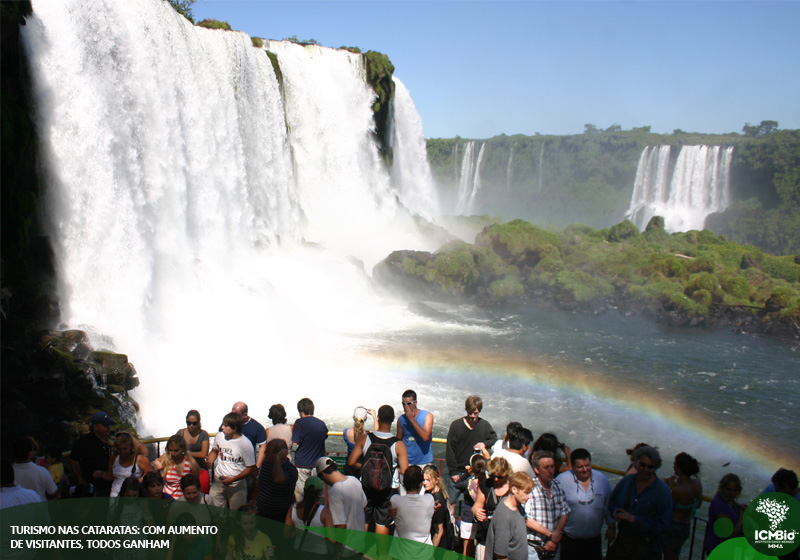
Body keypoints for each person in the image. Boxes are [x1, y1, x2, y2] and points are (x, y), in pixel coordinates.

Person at [347, 404, 409, 536]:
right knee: (382, 522)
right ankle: (381, 554)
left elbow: (351, 462)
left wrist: (364, 467)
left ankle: (359, 549)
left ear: (378, 418)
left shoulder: (366, 438)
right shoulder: (398, 444)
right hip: (388, 488)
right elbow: (404, 470)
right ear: (393, 419)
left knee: (364, 518)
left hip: (366, 484)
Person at [607, 445, 672, 560]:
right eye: (643, 465)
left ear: (656, 468)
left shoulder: (663, 491)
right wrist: (615, 511)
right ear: (636, 463)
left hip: (648, 549)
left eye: (650, 467)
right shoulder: (626, 482)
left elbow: (664, 524)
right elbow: (612, 502)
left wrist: (635, 519)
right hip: (623, 543)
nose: (646, 470)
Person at [554, 448, 612, 560]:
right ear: (573, 466)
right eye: (580, 467)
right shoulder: (561, 480)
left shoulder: (602, 480)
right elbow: (554, 509)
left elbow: (608, 506)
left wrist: (612, 527)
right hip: (569, 542)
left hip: (593, 542)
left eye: (587, 465)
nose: (585, 470)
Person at [445, 395, 498, 511]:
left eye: (476, 413)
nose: (473, 416)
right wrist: (453, 472)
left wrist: (484, 444)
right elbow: (450, 450)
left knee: (476, 503)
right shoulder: (456, 426)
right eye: (470, 413)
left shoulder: (485, 425)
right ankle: (451, 525)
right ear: (466, 410)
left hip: (476, 473)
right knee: (451, 502)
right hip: (458, 472)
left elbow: (494, 438)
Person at [525, 450, 570, 560]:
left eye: (552, 467)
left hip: (554, 545)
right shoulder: (529, 487)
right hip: (534, 546)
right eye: (546, 468)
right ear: (537, 470)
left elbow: (565, 512)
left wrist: (554, 539)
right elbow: (527, 519)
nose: (551, 471)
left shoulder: (557, 485)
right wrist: (550, 534)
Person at [206, 412, 256, 510]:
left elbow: (250, 468)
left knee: (236, 515)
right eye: (223, 424)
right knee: (215, 511)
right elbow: (215, 450)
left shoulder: (245, 444)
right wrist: (210, 461)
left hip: (237, 485)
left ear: (235, 428)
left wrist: (232, 479)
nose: (222, 427)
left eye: (225, 425)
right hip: (219, 481)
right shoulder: (219, 436)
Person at [484, 472, 534, 560]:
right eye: (526, 493)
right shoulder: (504, 517)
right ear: (514, 489)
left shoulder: (518, 506)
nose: (529, 496)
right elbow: (501, 555)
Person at [662, 452, 702, 560]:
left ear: (679, 468)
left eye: (675, 464)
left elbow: (668, 508)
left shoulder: (677, 490)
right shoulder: (697, 483)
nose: (673, 466)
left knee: (668, 556)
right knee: (675, 555)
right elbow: (698, 505)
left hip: (674, 526)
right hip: (686, 526)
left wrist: (670, 486)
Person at [389, 465, 435, 559]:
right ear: (420, 484)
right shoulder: (429, 499)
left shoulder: (395, 500)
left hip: (400, 554)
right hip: (424, 554)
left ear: (404, 483)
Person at [473, 456, 513, 560]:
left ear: (507, 474)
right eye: (493, 476)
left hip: (506, 538)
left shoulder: (514, 487)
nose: (496, 479)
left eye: (500, 477)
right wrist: (476, 511)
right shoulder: (485, 485)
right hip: (486, 536)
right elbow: (476, 505)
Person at [68, 411, 115, 496]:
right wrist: (80, 479)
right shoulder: (85, 442)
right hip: (94, 486)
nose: (109, 427)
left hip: (112, 484)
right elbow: (72, 460)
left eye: (109, 424)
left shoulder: (111, 439)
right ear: (95, 427)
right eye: (105, 425)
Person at [315, 456, 368, 531]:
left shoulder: (334, 492)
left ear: (323, 474)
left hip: (346, 541)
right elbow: (364, 506)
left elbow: (340, 524)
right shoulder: (354, 480)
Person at [285, 476, 333, 558]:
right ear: (320, 492)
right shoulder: (324, 512)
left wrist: (298, 530)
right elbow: (332, 539)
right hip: (319, 554)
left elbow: (286, 535)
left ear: (304, 490)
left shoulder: (293, 508)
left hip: (298, 553)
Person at [292, 397, 328, 502]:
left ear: (301, 411)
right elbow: (325, 435)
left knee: (300, 494)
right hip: (318, 465)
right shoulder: (322, 424)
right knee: (315, 494)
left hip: (302, 464)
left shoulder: (299, 423)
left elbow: (295, 443)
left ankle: (300, 516)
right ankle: (314, 515)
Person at [256, 438, 298, 523]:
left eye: (268, 451)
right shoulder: (267, 463)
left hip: (279, 516)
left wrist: (278, 459)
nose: (265, 453)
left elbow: (278, 479)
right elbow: (260, 483)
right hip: (262, 512)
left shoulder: (290, 470)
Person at [703, 473, 745, 556]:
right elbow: (731, 535)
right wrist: (742, 516)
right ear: (722, 488)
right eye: (728, 489)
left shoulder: (728, 500)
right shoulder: (720, 506)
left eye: (735, 490)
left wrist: (738, 506)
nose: (732, 493)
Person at [104, 431, 153, 497]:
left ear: (131, 447)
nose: (122, 452)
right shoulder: (114, 457)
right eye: (119, 449)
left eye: (125, 449)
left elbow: (150, 474)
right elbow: (110, 476)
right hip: (115, 495)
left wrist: (140, 480)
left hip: (134, 497)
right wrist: (101, 474)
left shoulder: (139, 459)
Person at [155, 434, 200, 499]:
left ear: (183, 449)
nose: (173, 453)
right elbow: (156, 461)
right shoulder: (166, 458)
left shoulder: (191, 462)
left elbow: (197, 483)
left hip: (185, 500)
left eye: (176, 450)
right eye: (170, 450)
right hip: (168, 499)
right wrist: (158, 465)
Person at [459, 453, 487, 557]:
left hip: (468, 517)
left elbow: (456, 485)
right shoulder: (486, 483)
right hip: (481, 518)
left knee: (466, 550)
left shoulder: (468, 482)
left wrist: (466, 474)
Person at [397, 389, 434, 467]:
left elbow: (426, 437)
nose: (406, 407)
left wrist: (411, 419)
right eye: (403, 404)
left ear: (415, 403)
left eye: (409, 403)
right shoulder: (401, 419)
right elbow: (398, 439)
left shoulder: (427, 416)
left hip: (424, 462)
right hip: (407, 462)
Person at [177, 410, 210, 493]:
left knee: (203, 491)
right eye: (189, 423)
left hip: (200, 468)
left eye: (194, 423)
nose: (191, 426)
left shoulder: (203, 434)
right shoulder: (180, 433)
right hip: (183, 468)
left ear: (199, 422)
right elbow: (172, 445)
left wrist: (185, 453)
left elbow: (203, 454)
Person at [422, 464, 451, 548]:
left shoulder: (438, 500)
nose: (424, 483)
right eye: (424, 480)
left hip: (438, 544)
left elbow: (439, 531)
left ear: (436, 480)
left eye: (428, 480)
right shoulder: (429, 493)